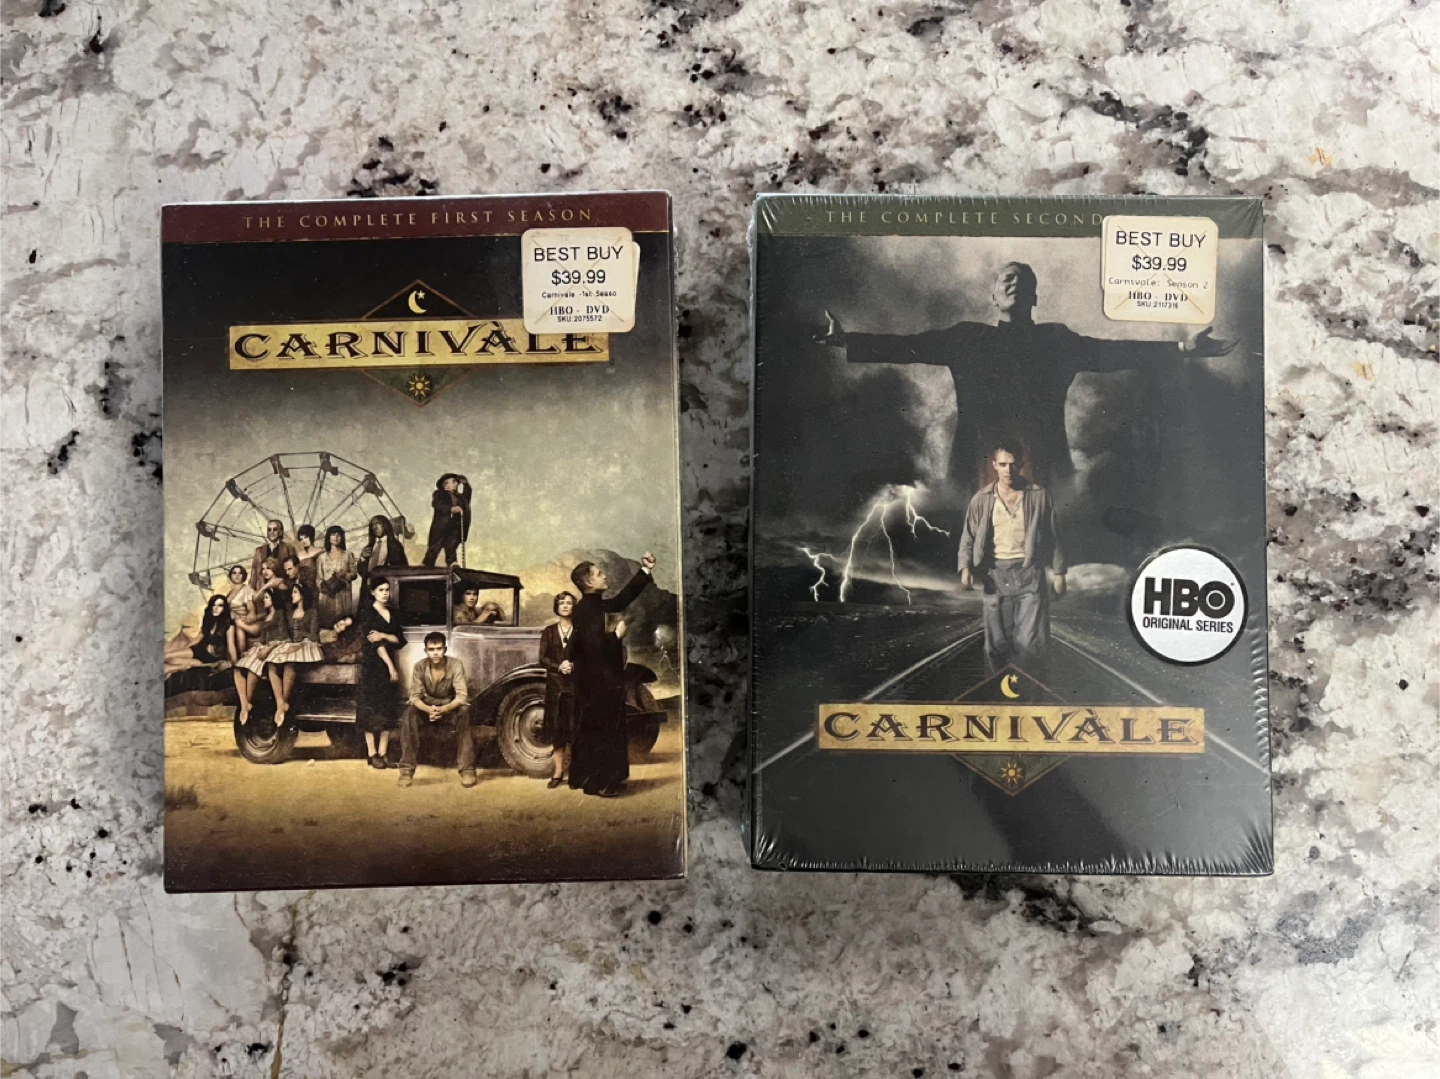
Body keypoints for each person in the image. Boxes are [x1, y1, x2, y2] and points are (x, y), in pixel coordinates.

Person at [817, 262, 1236, 491]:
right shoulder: (968, 338)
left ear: (1035, 296)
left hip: (1045, 464)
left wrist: (1181, 349)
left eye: (1024, 280)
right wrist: (847, 340)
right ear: (993, 295)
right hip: (974, 463)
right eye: (1007, 279)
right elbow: (910, 346)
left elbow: (1113, 352)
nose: (1015, 283)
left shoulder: (1057, 340)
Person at [958, 440, 1065, 676]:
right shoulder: (981, 499)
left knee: (1031, 644)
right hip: (994, 576)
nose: (1008, 470)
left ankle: (1030, 693)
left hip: (1029, 574)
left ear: (1022, 464)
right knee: (997, 645)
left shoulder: (1039, 496)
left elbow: (1053, 536)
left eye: (1013, 464)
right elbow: (968, 536)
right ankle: (997, 692)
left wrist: (1059, 573)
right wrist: (965, 567)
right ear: (994, 465)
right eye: (1003, 464)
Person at [567, 553, 655, 797]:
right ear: (588, 582)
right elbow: (592, 648)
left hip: (603, 681)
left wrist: (645, 571)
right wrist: (616, 635)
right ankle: (597, 784)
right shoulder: (585, 610)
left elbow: (620, 601)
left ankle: (608, 779)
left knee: (606, 729)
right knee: (600, 731)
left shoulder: (595, 604)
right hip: (595, 684)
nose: (604, 575)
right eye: (598, 574)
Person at [397, 632, 474, 788]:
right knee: (409, 714)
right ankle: (406, 771)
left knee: (464, 712)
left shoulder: (455, 664)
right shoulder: (419, 666)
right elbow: (414, 697)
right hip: (428, 707)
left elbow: (461, 696)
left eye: (439, 648)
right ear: (426, 651)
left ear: (445, 649)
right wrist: (429, 710)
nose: (435, 653)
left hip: (449, 706)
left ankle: (467, 770)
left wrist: (444, 709)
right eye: (431, 649)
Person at [355, 578, 404, 768]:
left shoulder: (393, 613)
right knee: (371, 709)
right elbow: (376, 644)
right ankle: (372, 753)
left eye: (387, 590)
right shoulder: (368, 613)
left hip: (388, 662)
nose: (385, 593)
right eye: (381, 590)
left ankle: (383, 754)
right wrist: (391, 667)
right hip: (373, 666)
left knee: (387, 708)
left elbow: (399, 639)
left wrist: (383, 635)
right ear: (373, 592)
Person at [264, 582, 324, 728]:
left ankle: (284, 700)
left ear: (303, 595)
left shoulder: (312, 612)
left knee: (290, 663)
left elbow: (313, 636)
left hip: (308, 645)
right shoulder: (289, 613)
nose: (292, 595)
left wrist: (299, 644)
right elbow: (285, 634)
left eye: (295, 592)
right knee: (271, 663)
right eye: (292, 592)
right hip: (291, 644)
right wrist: (287, 645)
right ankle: (280, 703)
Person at [538, 592, 578, 790]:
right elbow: (542, 658)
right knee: (557, 731)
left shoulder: (579, 631)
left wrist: (573, 665)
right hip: (555, 688)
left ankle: (576, 774)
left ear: (574, 607)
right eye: (562, 603)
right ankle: (558, 772)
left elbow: (588, 657)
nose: (565, 606)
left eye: (569, 603)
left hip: (575, 687)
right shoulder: (549, 631)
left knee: (575, 729)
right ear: (557, 607)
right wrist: (558, 667)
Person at [233, 588, 288, 726]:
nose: (264, 600)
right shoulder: (266, 616)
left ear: (274, 599)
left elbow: (283, 637)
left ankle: (278, 706)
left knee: (254, 668)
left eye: (267, 597)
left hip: (276, 647)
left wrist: (268, 648)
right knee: (238, 668)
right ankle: (245, 704)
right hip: (265, 646)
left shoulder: (280, 614)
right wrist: (256, 646)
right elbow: (263, 639)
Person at [359, 515, 408, 610]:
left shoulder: (395, 545)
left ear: (385, 525)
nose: (375, 527)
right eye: (373, 525)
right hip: (369, 592)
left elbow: (402, 569)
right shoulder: (369, 547)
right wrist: (362, 558)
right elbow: (362, 572)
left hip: (387, 592)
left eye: (378, 523)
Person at [423, 473, 472, 567]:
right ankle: (428, 564)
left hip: (455, 525)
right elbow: (437, 505)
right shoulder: (439, 494)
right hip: (442, 525)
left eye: (456, 482)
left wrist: (466, 484)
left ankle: (452, 562)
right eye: (453, 482)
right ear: (445, 485)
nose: (456, 484)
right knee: (436, 545)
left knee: (452, 544)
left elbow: (467, 497)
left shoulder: (461, 497)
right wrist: (450, 508)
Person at [315, 525, 359, 629]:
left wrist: (344, 576)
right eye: (333, 534)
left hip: (343, 594)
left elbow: (354, 573)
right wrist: (325, 586)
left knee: (343, 625)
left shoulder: (348, 554)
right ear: (328, 537)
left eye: (339, 535)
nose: (336, 537)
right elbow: (318, 578)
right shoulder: (321, 558)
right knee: (328, 626)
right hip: (327, 596)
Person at [250, 519, 298, 591]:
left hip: (283, 590)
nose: (272, 532)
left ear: (280, 532)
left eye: (275, 529)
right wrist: (251, 590)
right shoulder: (259, 551)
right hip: (263, 590)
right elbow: (254, 575)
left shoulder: (289, 549)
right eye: (269, 530)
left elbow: (295, 572)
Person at [225, 564, 258, 657]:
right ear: (230, 576)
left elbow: (250, 606)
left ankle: (242, 655)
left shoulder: (246, 589)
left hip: (243, 620)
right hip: (230, 621)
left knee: (237, 624)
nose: (237, 575)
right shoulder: (230, 593)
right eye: (234, 573)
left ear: (243, 576)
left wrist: (251, 612)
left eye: (240, 573)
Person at [293, 524, 322, 589]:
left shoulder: (320, 552)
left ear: (311, 537)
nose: (303, 541)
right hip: (302, 586)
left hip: (316, 586)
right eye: (301, 539)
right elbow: (297, 574)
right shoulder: (299, 555)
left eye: (306, 537)